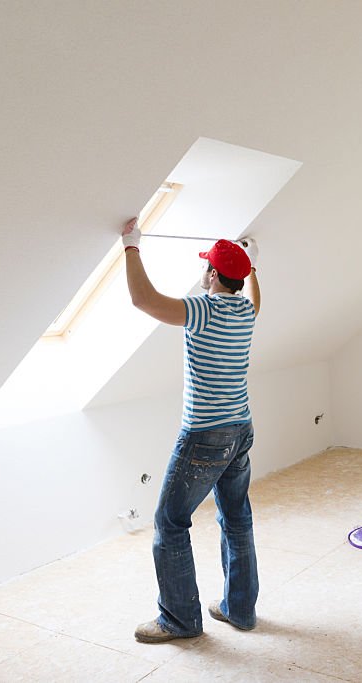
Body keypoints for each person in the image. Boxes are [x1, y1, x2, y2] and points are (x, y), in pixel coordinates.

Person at [118, 218, 261, 643]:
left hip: (205, 436)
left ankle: (179, 620)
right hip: (240, 429)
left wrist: (131, 246)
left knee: (170, 523)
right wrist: (254, 267)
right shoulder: (246, 312)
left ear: (213, 275)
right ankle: (240, 610)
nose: (203, 273)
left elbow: (142, 299)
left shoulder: (203, 308)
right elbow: (254, 295)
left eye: (207, 268)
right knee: (237, 519)